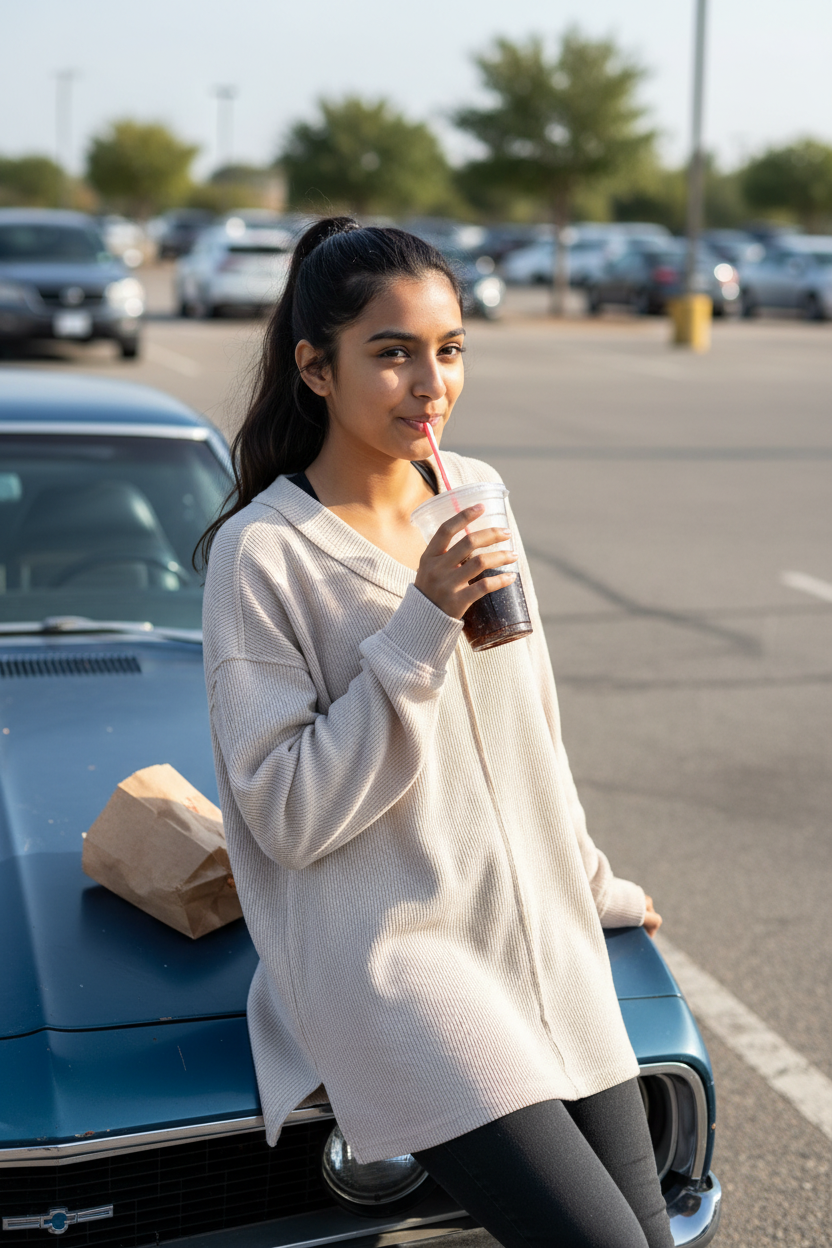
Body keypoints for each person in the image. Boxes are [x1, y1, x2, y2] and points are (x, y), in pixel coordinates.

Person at [198, 217, 672, 1248]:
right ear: (314, 369)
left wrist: (593, 886)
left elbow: (529, 736)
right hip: (407, 966)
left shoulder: (478, 492)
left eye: (449, 349)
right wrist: (419, 625)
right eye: (393, 352)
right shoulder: (262, 554)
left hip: (539, 935)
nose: (430, 383)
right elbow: (286, 812)